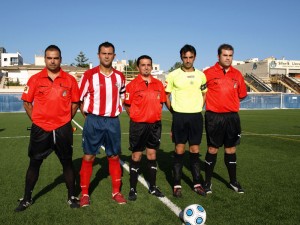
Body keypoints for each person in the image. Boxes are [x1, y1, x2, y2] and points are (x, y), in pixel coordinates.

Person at [15, 45, 80, 212]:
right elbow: (27, 103)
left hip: (62, 129)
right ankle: (27, 198)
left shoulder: (70, 80)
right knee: (34, 163)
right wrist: (37, 121)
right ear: (45, 59)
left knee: (67, 163)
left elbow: (75, 104)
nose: (53, 61)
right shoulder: (35, 79)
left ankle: (72, 196)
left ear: (60, 59)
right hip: (40, 129)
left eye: (56, 58)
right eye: (49, 58)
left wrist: (65, 120)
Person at [78, 42, 126, 206]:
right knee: (89, 156)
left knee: (113, 156)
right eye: (103, 53)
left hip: (113, 121)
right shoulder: (89, 75)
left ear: (114, 56)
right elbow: (79, 99)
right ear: (98, 55)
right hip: (93, 120)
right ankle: (84, 194)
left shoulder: (120, 77)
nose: (106, 56)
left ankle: (116, 192)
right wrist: (89, 118)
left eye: (109, 53)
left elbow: (121, 95)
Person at [203, 43, 247, 194]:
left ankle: (233, 181)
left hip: (232, 118)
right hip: (213, 117)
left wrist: (229, 105)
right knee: (212, 148)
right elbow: (201, 93)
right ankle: (207, 182)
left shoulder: (237, 74)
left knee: (231, 149)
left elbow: (241, 95)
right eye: (225, 55)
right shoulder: (208, 73)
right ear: (218, 56)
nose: (228, 58)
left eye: (230, 55)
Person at [165, 44, 207, 198]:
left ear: (194, 57)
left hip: (196, 116)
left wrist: (197, 107)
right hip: (180, 117)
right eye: (185, 57)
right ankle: (176, 184)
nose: (188, 60)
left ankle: (197, 183)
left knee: (195, 150)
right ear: (181, 58)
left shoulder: (201, 75)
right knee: (179, 150)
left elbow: (204, 94)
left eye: (190, 57)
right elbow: (165, 96)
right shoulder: (173, 75)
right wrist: (174, 112)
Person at [124, 55, 166, 201]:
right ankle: (133, 188)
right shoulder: (132, 85)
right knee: (136, 156)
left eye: (149, 65)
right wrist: (137, 116)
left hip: (155, 125)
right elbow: (127, 105)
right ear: (138, 67)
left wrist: (153, 115)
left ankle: (153, 187)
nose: (146, 67)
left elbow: (161, 103)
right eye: (143, 65)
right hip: (138, 125)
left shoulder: (158, 84)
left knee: (152, 155)